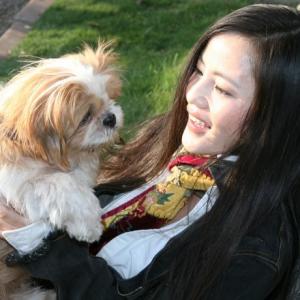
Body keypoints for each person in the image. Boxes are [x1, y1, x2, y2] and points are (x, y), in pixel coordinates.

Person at [0, 3, 300, 300]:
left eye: (222, 89)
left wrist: (38, 242)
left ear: (277, 115)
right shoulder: (182, 143)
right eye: (198, 70)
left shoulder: (254, 251)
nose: (192, 94)